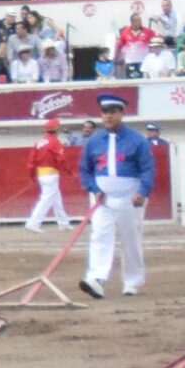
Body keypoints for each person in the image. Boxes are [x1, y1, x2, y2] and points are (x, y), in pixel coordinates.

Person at [77, 93, 153, 298]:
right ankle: (96, 279)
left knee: (130, 240)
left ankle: (132, 281)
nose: (108, 116)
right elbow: (84, 169)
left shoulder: (137, 140)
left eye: (112, 112)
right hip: (102, 199)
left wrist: (142, 192)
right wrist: (93, 188)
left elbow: (147, 169)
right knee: (100, 236)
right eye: (105, 112)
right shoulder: (94, 141)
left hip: (130, 197)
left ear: (121, 113)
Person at [22, 117, 71, 231]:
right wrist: (69, 171)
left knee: (55, 198)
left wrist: (32, 176)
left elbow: (31, 162)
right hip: (51, 174)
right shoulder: (55, 142)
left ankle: (63, 222)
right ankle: (33, 223)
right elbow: (62, 159)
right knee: (47, 199)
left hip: (41, 174)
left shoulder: (39, 143)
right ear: (56, 130)